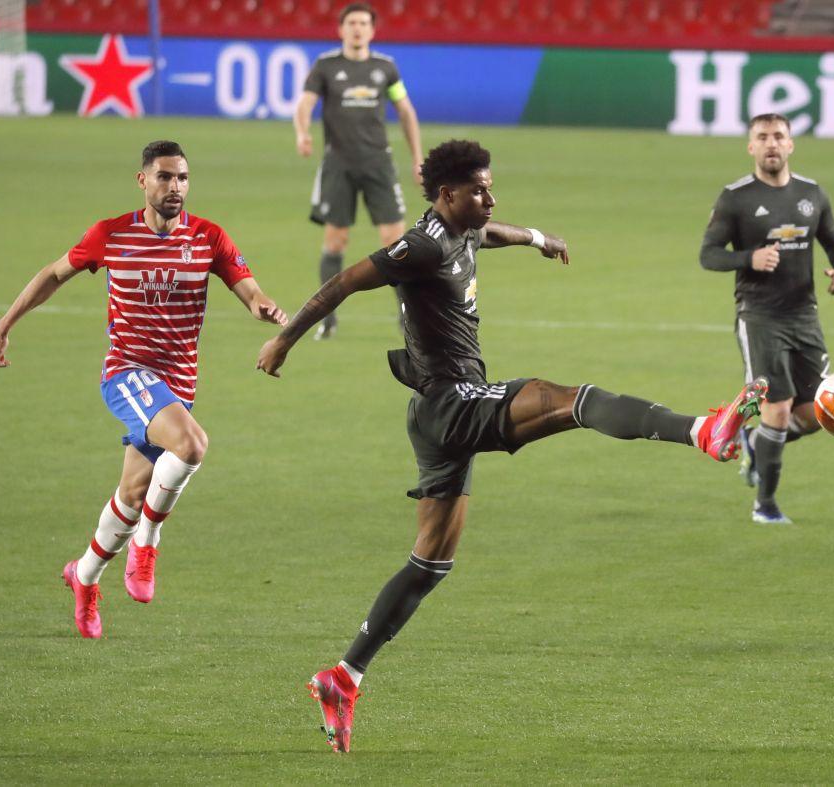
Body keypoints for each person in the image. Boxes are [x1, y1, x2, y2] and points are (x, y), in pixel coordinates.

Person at [256, 139, 768, 753]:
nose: (489, 198)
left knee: (430, 564)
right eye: (479, 190)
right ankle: (701, 431)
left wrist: (534, 237)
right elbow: (342, 282)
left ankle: (343, 676)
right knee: (570, 398)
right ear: (447, 195)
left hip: (437, 412)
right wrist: (283, 341)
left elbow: (486, 232)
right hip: (451, 404)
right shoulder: (418, 246)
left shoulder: (463, 225)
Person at [0, 140, 287, 639]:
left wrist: (264, 307)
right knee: (192, 445)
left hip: (178, 384)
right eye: (165, 177)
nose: (175, 187)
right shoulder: (111, 234)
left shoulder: (208, 237)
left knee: (131, 492)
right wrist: (5, 323)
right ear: (142, 181)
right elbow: (53, 274)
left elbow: (247, 287)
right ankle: (147, 543)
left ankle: (83, 578)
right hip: (127, 374)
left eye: (183, 178)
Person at [699, 113, 834, 525]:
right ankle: (764, 506)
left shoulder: (812, 194)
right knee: (779, 408)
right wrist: (749, 257)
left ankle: (754, 442)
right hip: (759, 317)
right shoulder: (736, 198)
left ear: (790, 144)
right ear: (751, 146)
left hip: (805, 316)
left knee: (822, 411)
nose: (771, 143)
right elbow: (708, 254)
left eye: (778, 136)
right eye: (762, 137)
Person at [294, 1, 424, 340]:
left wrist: (417, 157)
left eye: (363, 23)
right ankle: (327, 318)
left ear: (372, 29)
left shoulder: (385, 68)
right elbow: (306, 103)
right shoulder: (325, 66)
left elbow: (406, 110)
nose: (357, 28)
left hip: (379, 163)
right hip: (338, 165)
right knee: (336, 241)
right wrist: (303, 131)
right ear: (341, 29)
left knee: (395, 241)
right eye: (351, 23)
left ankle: (408, 316)